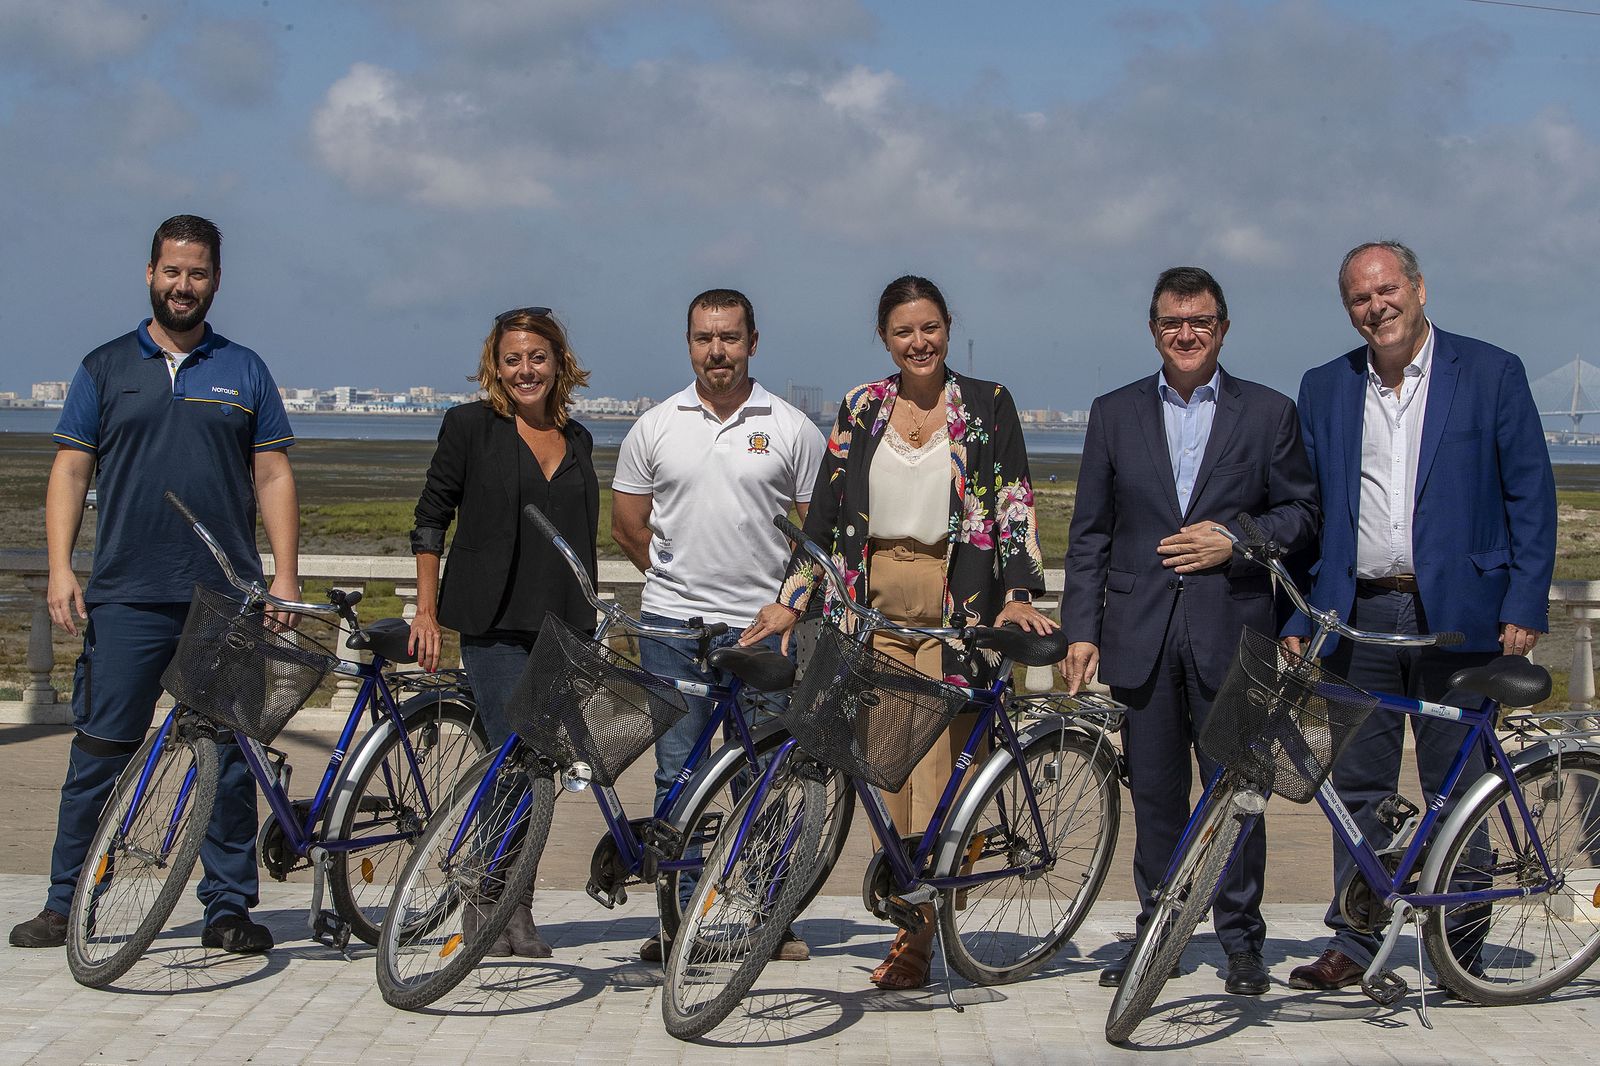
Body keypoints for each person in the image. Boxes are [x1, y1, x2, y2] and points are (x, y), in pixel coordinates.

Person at [746, 274, 1056, 991]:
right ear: (885, 338)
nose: (919, 343)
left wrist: (1016, 595)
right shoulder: (862, 406)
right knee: (892, 774)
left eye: (930, 329)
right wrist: (794, 599)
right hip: (873, 607)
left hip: (960, 608)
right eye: (903, 332)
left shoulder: (988, 405)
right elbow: (823, 515)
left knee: (945, 776)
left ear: (949, 326)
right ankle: (913, 915)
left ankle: (919, 941)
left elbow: (1012, 503)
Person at [10, 215, 300, 954]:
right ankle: (66, 899)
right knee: (101, 751)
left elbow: (272, 472)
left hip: (226, 599)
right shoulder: (105, 366)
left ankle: (228, 907)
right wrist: (62, 567)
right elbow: (71, 470)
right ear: (149, 274)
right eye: (172, 271)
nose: (183, 285)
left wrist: (286, 576)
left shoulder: (246, 369)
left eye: (197, 273)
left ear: (216, 281)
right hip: (128, 593)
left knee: (229, 760)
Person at [1283, 240, 1557, 991]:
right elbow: (1307, 512)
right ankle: (1355, 939)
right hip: (1359, 614)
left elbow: (1530, 495)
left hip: (1460, 616)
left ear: (1420, 288)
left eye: (1386, 290)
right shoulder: (1325, 386)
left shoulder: (1492, 373)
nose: (1377, 308)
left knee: (1457, 784)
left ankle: (1458, 945)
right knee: (1360, 788)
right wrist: (1297, 614)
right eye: (1360, 299)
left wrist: (1523, 604)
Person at [1060, 266, 1319, 996]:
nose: (1186, 334)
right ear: (1153, 330)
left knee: (1237, 793)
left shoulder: (1268, 413)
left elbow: (1301, 515)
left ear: (1224, 328)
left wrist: (1235, 540)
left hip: (1233, 631)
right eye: (1173, 322)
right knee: (1158, 798)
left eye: (1200, 321)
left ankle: (1241, 941)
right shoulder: (1113, 413)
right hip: (1139, 635)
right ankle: (1160, 933)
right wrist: (1082, 627)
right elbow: (1090, 535)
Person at [612, 288, 825, 963]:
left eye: (729, 337)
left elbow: (816, 537)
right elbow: (627, 525)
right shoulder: (655, 426)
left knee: (762, 777)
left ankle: (769, 916)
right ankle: (676, 920)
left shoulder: (792, 427)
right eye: (705, 338)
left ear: (753, 343)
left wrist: (786, 601)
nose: (717, 351)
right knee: (676, 774)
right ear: (689, 344)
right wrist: (678, 581)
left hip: (760, 635)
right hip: (673, 630)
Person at [410, 307, 598, 959]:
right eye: (513, 358)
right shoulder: (469, 427)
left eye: (537, 357)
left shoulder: (579, 439)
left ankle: (516, 903)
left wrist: (589, 628)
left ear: (558, 363)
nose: (526, 370)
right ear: (496, 364)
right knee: (512, 757)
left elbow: (582, 544)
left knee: (539, 771)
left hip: (559, 628)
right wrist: (426, 612)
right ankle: (485, 899)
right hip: (489, 623)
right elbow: (430, 518)